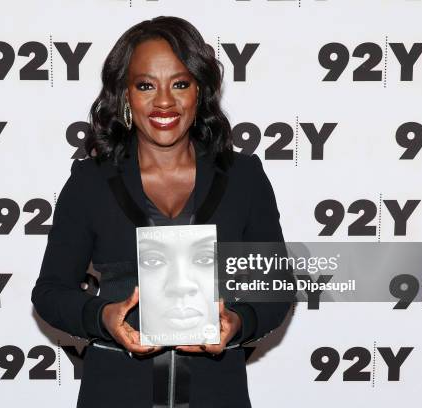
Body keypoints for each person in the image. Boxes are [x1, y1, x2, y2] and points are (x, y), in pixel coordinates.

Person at [31, 15, 294, 408]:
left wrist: (239, 323)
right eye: (145, 85)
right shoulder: (91, 182)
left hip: (217, 392)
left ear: (200, 91)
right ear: (124, 94)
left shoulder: (243, 178)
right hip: (115, 391)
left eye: (180, 83)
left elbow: (276, 288)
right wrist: (103, 317)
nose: (165, 101)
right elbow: (50, 292)